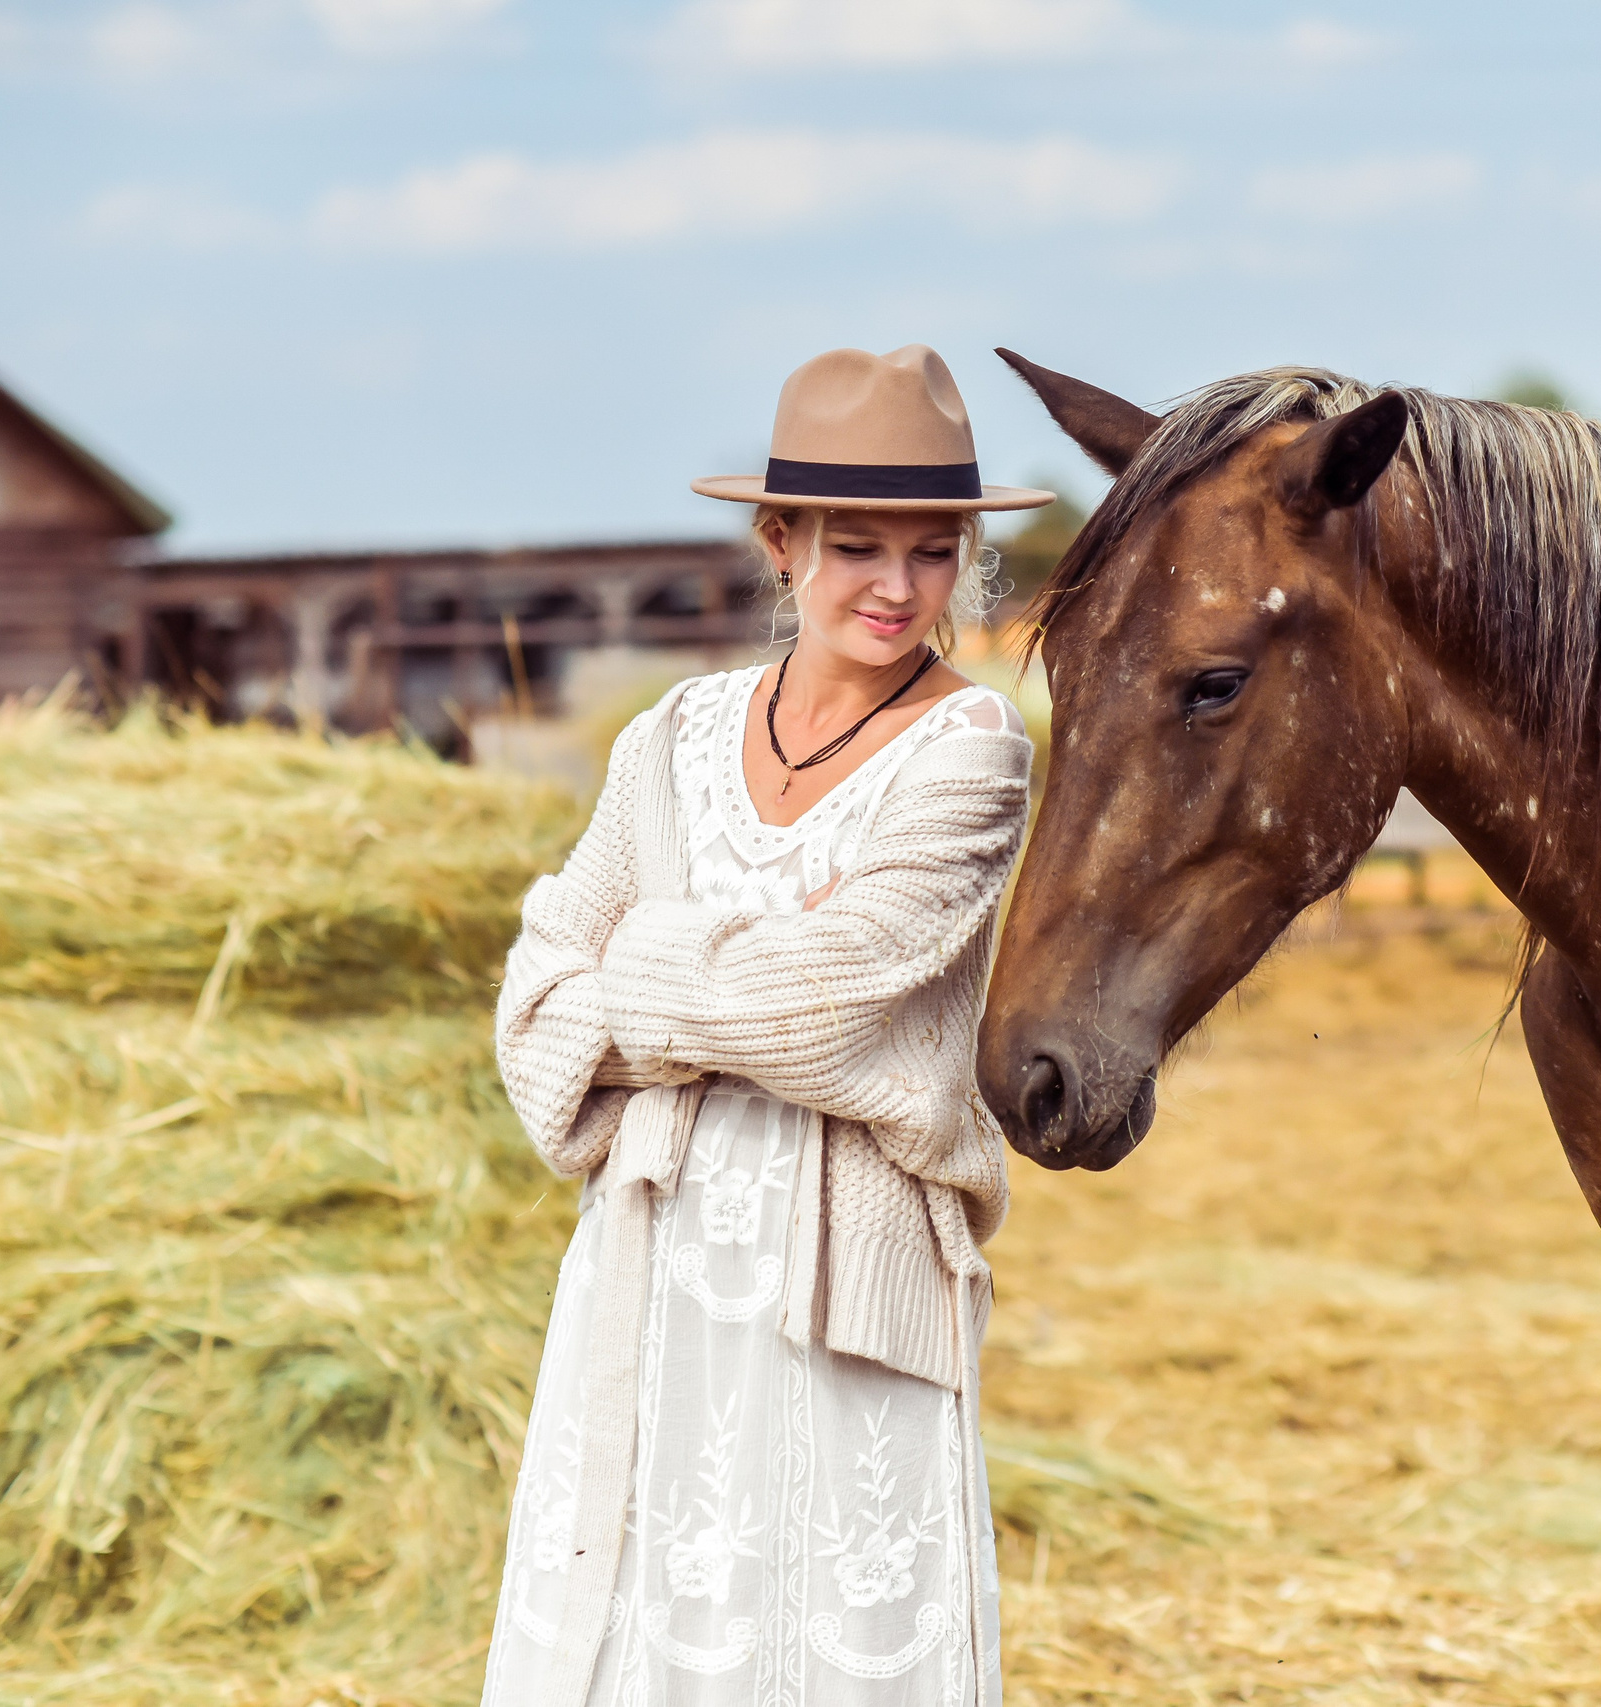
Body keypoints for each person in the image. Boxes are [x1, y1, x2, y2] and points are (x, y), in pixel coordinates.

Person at [481, 345, 1052, 1706]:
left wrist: (640, 974)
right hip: (649, 1271)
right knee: (627, 1635)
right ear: (780, 541)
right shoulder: (668, 739)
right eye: (857, 546)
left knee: (830, 1647)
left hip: (846, 1305)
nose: (898, 588)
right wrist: (715, 982)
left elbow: (824, 1000)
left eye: (932, 550)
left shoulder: (971, 752)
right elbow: (531, 1011)